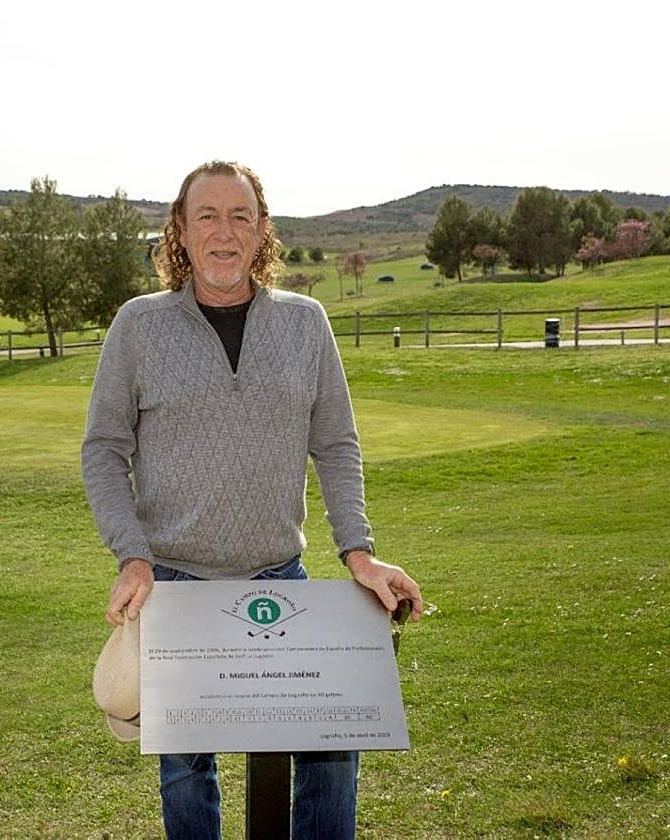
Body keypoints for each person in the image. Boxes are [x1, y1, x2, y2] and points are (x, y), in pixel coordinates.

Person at [81, 161, 423, 840]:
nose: (224, 232)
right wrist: (132, 557)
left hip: (281, 580)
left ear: (263, 229)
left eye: (240, 216)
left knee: (333, 742)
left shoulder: (305, 323)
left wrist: (359, 553)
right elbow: (102, 449)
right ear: (179, 230)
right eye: (206, 216)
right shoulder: (138, 326)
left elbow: (337, 445)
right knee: (185, 771)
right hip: (174, 586)